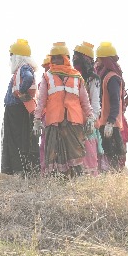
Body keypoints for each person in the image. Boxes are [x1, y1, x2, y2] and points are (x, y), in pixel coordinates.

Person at [32, 43, 93, 177]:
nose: (54, 61)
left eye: (58, 58)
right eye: (53, 58)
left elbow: (84, 100)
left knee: (75, 154)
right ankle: (57, 183)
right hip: (54, 122)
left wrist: (90, 117)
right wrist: (37, 120)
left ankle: (76, 182)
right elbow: (41, 100)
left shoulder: (77, 76)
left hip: (73, 122)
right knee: (54, 154)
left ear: (65, 58)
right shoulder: (47, 76)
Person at [1, 39, 39, 175]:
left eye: (12, 56)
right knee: (19, 140)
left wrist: (22, 91)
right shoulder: (23, 68)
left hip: (17, 110)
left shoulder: (24, 68)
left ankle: (19, 170)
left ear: (17, 57)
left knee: (16, 140)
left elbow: (28, 78)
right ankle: (20, 170)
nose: (10, 59)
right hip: (17, 109)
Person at [93, 42, 127, 172]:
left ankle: (115, 181)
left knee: (112, 155)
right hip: (104, 122)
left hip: (110, 123)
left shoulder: (112, 78)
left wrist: (110, 122)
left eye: (99, 59)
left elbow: (115, 101)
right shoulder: (103, 76)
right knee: (106, 154)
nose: (97, 62)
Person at [72, 41, 102, 175]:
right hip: (74, 121)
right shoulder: (73, 76)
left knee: (89, 155)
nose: (74, 60)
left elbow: (95, 103)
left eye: (77, 57)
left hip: (88, 122)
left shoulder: (93, 79)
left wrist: (91, 119)